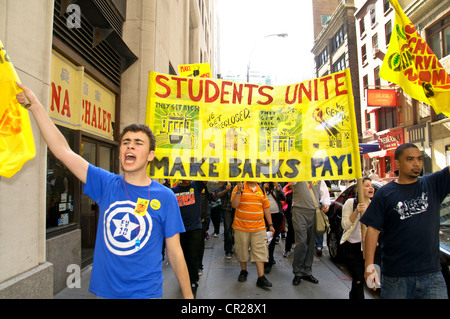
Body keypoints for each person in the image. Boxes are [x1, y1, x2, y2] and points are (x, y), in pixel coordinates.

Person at [16, 84, 193, 299]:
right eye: (126, 142)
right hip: (106, 294)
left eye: (138, 143)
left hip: (146, 294)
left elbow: (174, 252)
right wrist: (35, 106)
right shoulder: (106, 183)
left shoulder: (165, 197)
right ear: (120, 153)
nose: (130, 146)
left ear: (150, 155)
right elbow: (62, 151)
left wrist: (188, 297)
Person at [362, 143, 450, 299]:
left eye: (419, 159)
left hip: (432, 275)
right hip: (396, 278)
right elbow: (373, 229)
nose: (416, 163)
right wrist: (369, 264)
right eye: (410, 159)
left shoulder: (432, 184)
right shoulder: (385, 193)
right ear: (397, 163)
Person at [231, 181, 275, 288]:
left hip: (259, 227)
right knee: (242, 250)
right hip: (241, 227)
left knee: (260, 251)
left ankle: (261, 277)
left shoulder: (261, 189)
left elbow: (266, 207)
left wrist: (270, 224)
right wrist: (238, 191)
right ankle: (243, 271)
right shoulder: (238, 187)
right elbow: (234, 205)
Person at [340, 177, 374, 299]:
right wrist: (356, 212)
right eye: (367, 185)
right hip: (351, 246)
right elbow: (344, 225)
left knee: (359, 280)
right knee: (358, 277)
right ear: (359, 188)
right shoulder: (351, 203)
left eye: (371, 186)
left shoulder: (373, 205)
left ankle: (352, 296)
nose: (370, 188)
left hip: (366, 247)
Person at [291, 180, 330, 285]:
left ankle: (307, 271)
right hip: (299, 211)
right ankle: (298, 272)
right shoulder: (297, 173)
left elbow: (324, 191)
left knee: (311, 243)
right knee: (301, 242)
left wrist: (326, 203)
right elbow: (291, 181)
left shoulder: (317, 176)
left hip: (314, 212)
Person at [171, 180, 205, 297]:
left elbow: (206, 173)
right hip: (179, 229)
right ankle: (184, 281)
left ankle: (193, 282)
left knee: (192, 256)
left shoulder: (197, 185)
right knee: (182, 256)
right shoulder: (173, 191)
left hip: (194, 228)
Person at [262, 182, 285, 273]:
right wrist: (263, 189)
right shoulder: (260, 186)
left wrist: (277, 188)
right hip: (264, 215)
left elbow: (283, 198)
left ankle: (270, 257)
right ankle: (267, 260)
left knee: (272, 238)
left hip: (276, 215)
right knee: (265, 238)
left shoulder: (277, 186)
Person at [215, 181, 235, 259]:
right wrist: (225, 190)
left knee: (238, 228)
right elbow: (217, 194)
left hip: (238, 207)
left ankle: (234, 243)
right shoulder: (223, 179)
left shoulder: (240, 178)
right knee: (227, 228)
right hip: (227, 207)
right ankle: (228, 250)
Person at [283, 183, 294, 257]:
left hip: (299, 215)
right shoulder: (288, 194)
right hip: (290, 217)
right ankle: (287, 249)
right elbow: (284, 203)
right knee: (290, 233)